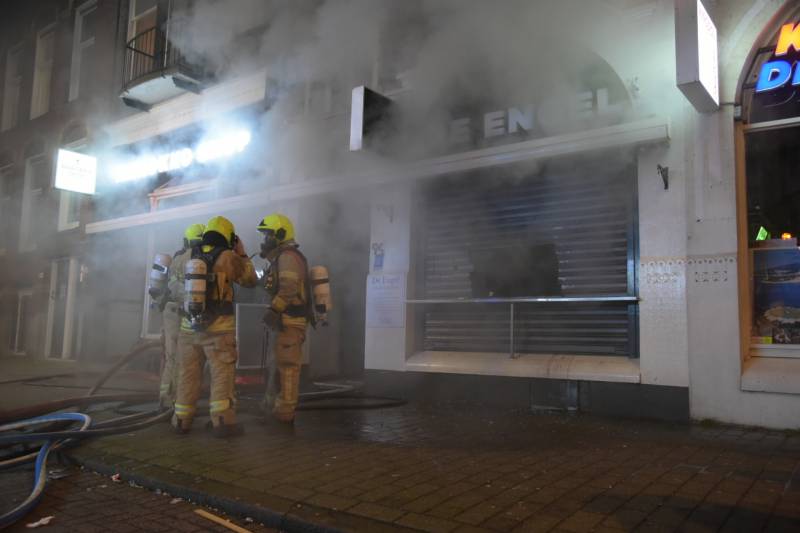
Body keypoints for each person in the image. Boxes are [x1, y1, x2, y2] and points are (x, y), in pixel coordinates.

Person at [172, 216, 257, 437]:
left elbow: (173, 288)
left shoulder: (185, 256)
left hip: (188, 329)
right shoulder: (229, 257)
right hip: (219, 330)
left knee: (187, 375)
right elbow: (250, 280)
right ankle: (223, 422)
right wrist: (242, 253)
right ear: (229, 237)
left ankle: (181, 420)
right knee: (221, 375)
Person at [257, 213, 313, 424]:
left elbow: (289, 289)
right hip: (284, 320)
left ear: (280, 234)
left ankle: (285, 413)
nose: (265, 239)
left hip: (289, 320)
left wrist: (274, 310)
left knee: (287, 367)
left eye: (268, 235)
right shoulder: (279, 257)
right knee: (276, 365)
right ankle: (273, 406)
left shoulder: (288, 257)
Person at [158, 223, 204, 408]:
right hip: (183, 313)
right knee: (180, 358)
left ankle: (165, 399)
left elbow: (171, 286)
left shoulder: (177, 257)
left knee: (171, 357)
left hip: (170, 311)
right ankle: (174, 400)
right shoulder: (198, 260)